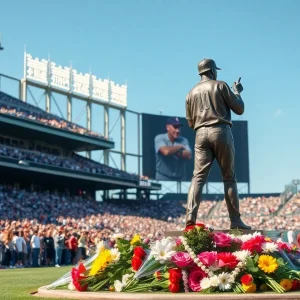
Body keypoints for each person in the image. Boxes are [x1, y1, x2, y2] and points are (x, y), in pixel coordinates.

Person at [185, 58, 251, 230]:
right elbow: (239, 109)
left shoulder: (190, 93)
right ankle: (235, 221)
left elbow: (190, 123)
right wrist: (237, 92)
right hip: (220, 131)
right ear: (213, 71)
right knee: (229, 178)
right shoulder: (220, 85)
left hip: (200, 134)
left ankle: (190, 219)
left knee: (197, 178)